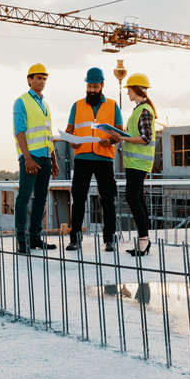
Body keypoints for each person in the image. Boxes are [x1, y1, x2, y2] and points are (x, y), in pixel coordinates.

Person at [65, 67, 122, 252]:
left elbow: (119, 134)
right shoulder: (77, 105)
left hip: (104, 159)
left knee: (107, 200)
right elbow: (69, 131)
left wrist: (110, 140)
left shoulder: (113, 106)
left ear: (102, 85)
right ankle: (75, 239)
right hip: (82, 158)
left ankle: (109, 239)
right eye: (89, 86)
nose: (91, 90)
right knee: (78, 199)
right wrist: (71, 141)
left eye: (95, 86)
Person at [12, 62, 59, 253]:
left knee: (41, 199)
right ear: (29, 80)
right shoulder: (21, 101)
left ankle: (35, 238)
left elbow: (48, 135)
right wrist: (27, 158)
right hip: (30, 158)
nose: (42, 81)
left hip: (45, 158)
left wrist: (53, 160)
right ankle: (22, 240)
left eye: (44, 78)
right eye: (39, 78)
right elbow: (19, 131)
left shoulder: (45, 104)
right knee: (24, 197)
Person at [116, 73, 157, 256]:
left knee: (132, 198)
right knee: (138, 199)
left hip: (139, 163)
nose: (127, 93)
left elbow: (146, 138)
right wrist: (119, 135)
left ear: (136, 89)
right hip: (134, 163)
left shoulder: (144, 110)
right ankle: (144, 241)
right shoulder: (139, 109)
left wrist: (123, 137)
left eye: (129, 90)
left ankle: (144, 240)